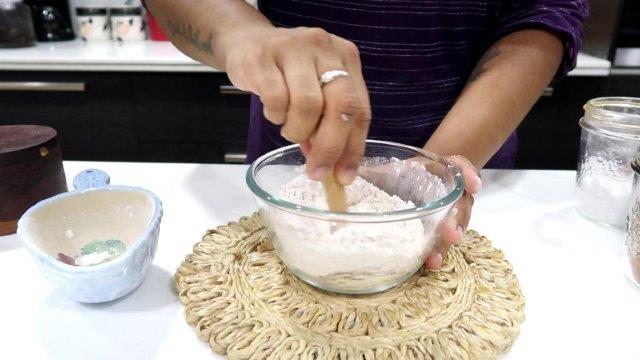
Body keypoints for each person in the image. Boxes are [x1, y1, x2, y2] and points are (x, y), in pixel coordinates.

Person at [145, 0, 587, 269]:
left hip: (473, 164)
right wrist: (242, 36)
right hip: (293, 168)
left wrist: (440, 167)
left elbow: (545, 12)